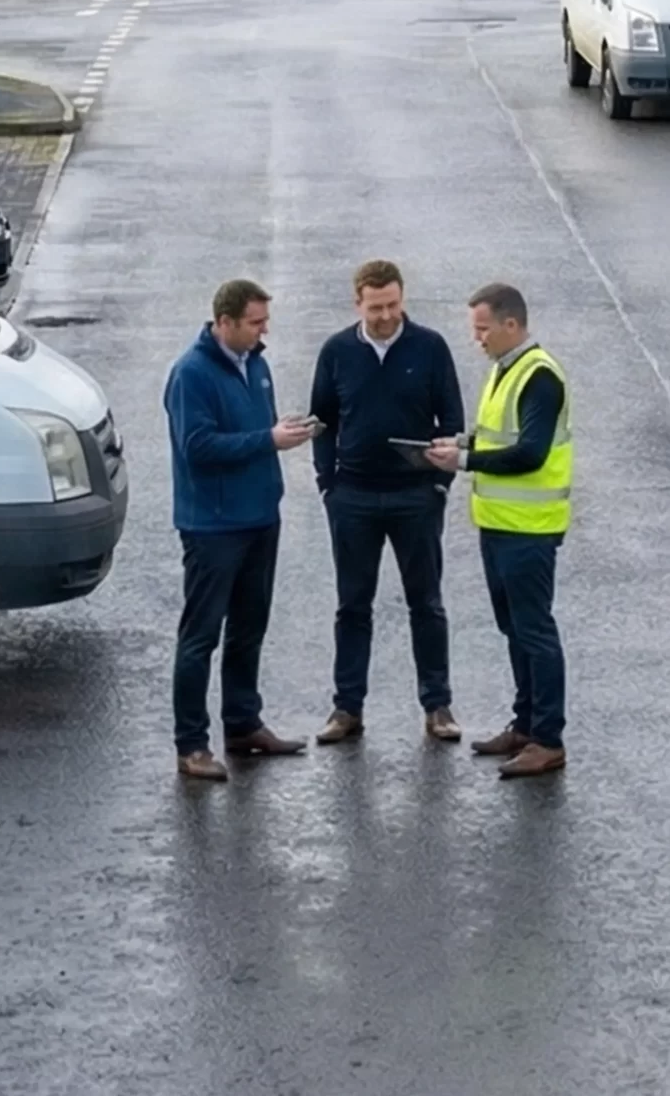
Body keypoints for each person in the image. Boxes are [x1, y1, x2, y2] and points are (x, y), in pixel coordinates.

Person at [164, 278, 318, 782]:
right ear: (224, 322)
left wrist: (281, 431)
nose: (263, 331)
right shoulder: (191, 374)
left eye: (264, 321)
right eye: (255, 322)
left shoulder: (256, 362)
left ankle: (243, 724)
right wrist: (267, 440)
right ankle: (191, 744)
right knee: (200, 635)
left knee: (249, 628)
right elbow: (198, 448)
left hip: (258, 517)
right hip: (212, 526)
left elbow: (257, 431)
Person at [308, 259, 467, 747]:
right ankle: (347, 707)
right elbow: (322, 420)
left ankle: (437, 706)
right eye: (376, 307)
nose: (385, 316)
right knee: (352, 605)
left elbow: (451, 418)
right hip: (353, 496)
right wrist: (328, 485)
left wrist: (439, 487)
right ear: (358, 303)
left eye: (393, 305)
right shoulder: (336, 351)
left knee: (427, 603)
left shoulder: (431, 347)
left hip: (415, 496)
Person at [428, 282, 571, 780]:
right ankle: (526, 723)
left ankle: (548, 739)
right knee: (515, 629)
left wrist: (463, 459)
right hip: (499, 525)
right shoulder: (504, 370)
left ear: (513, 324)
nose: (478, 339)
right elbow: (499, 437)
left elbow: (530, 452)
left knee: (535, 630)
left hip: (529, 530)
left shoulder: (539, 377)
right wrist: (461, 441)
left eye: (483, 329)